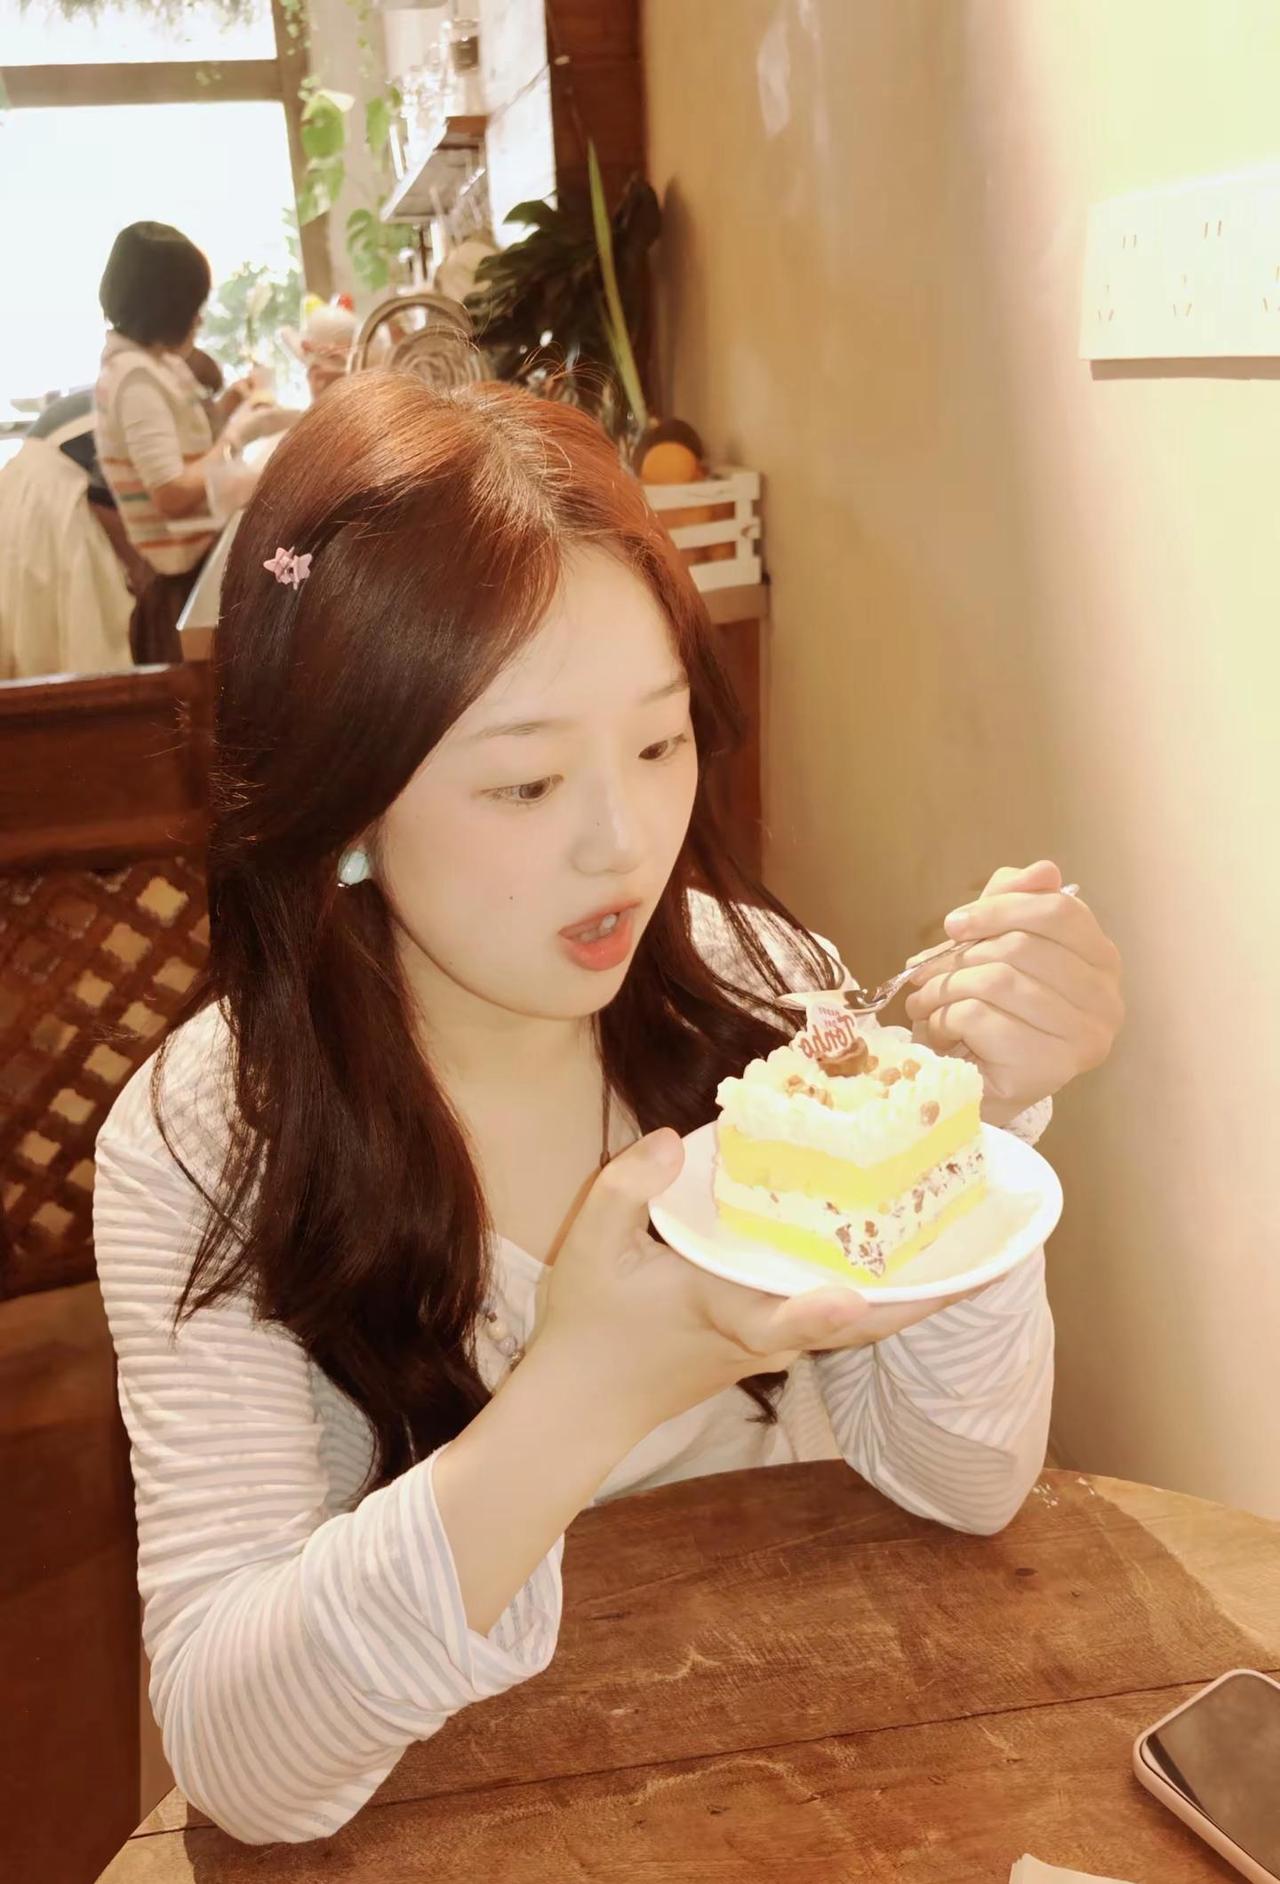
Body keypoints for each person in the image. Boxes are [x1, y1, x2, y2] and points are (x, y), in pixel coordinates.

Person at [92, 374, 1125, 1846]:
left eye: (657, 744)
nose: (625, 848)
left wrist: (975, 1118)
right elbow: (245, 1766)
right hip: (472, 1816)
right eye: (523, 785)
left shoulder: (755, 990)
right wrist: (586, 1390)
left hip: (820, 1744)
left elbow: (960, 1484)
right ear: (346, 797)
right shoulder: (210, 1138)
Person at [93, 221, 286, 664]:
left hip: (194, 570)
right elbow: (171, 493)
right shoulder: (135, 378)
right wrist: (234, 437)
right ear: (164, 307)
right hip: (179, 585)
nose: (198, 319)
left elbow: (184, 437)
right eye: (192, 307)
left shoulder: (155, 364)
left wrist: (229, 405)